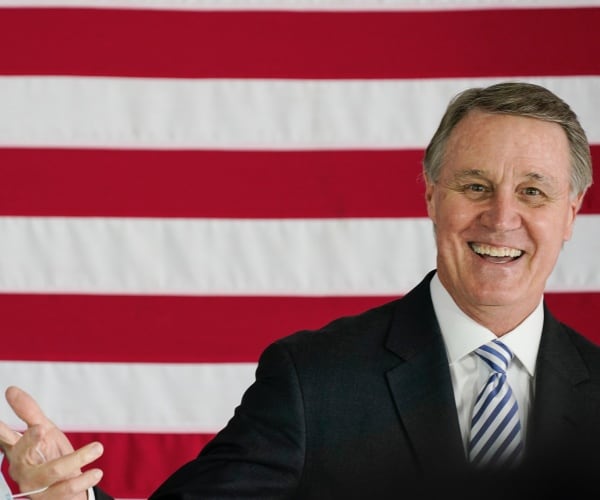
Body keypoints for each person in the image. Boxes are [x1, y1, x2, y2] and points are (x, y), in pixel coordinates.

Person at [1, 81, 599, 499]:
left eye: (533, 192)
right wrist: (65, 499)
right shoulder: (313, 380)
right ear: (430, 196)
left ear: (571, 213)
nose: (501, 218)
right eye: (474, 186)